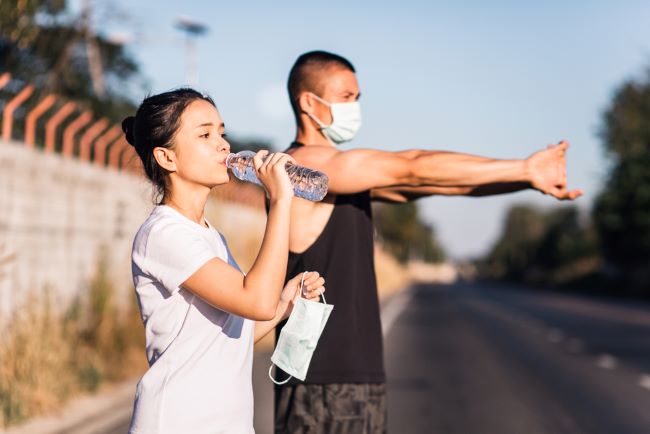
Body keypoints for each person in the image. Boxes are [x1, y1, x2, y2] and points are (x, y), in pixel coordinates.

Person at [272, 51, 583, 434]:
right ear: (309, 102)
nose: (355, 107)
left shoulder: (339, 177)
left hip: (352, 375)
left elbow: (433, 184)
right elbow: (413, 165)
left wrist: (526, 180)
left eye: (358, 98)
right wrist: (522, 167)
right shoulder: (307, 168)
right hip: (323, 377)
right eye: (347, 97)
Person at [123, 88, 326, 434]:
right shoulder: (164, 234)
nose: (223, 145)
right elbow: (255, 302)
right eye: (205, 134)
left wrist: (283, 304)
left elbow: (232, 336)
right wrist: (280, 202)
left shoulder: (209, 234)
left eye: (222, 133)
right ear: (166, 158)